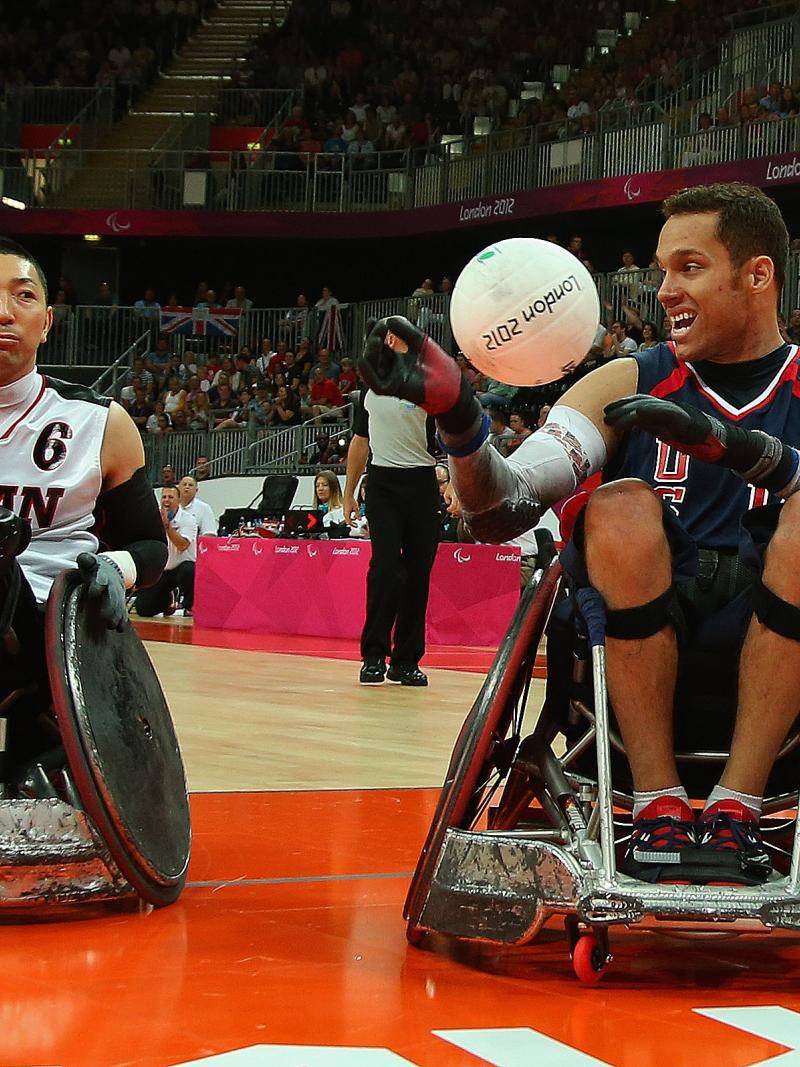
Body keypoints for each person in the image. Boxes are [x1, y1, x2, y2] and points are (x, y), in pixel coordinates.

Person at [356, 182, 800, 887]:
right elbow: (504, 505)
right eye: (661, 270)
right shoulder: (630, 378)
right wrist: (462, 422)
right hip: (637, 646)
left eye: (688, 267)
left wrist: (735, 447)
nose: (662, 290)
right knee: (619, 504)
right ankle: (657, 803)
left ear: (757, 275)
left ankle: (736, 804)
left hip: (780, 653)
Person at [0, 238, 168, 771]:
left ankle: (37, 722)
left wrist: (116, 569)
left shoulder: (101, 422)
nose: (3, 312)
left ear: (47, 322)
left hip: (52, 627)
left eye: (22, 296)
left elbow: (151, 546)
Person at [343, 373, 440, 688]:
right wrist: (348, 492)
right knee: (385, 568)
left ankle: (406, 661)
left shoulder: (430, 386)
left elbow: (452, 436)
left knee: (417, 573)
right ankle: (373, 654)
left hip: (423, 483)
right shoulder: (370, 388)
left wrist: (453, 481)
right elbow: (360, 441)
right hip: (382, 484)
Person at [135, 486, 197, 618]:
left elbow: (182, 545)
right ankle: (167, 601)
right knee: (143, 610)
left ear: (179, 500)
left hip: (182, 568)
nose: (166, 500)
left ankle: (190, 606)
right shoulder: (153, 518)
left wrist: (167, 527)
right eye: (164, 497)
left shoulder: (189, 519)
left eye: (171, 497)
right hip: (162, 569)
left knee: (190, 569)